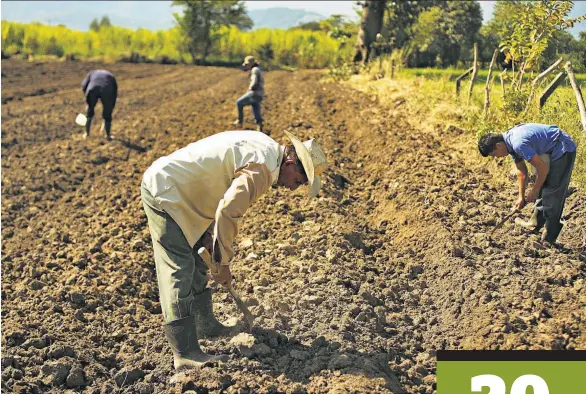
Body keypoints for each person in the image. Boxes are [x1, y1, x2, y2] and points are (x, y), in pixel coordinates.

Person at [141, 130, 327, 369]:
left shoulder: (267, 149)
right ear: (291, 163)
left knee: (199, 257)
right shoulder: (262, 167)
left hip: (188, 193)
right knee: (179, 267)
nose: (293, 188)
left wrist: (209, 235)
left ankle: (205, 324)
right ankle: (185, 353)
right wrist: (223, 263)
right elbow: (228, 211)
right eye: (299, 181)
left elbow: (218, 181)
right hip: (166, 191)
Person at [478, 123, 577, 246]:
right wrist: (521, 196)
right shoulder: (509, 144)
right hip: (549, 149)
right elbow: (521, 172)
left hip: (562, 147)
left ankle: (549, 238)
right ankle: (536, 222)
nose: (496, 158)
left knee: (552, 190)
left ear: (498, 145)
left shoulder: (518, 143)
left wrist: (534, 190)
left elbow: (543, 169)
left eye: (494, 155)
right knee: (542, 182)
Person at [81, 70, 118, 140]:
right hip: (106, 89)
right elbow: (114, 91)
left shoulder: (91, 73)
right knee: (107, 113)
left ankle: (87, 134)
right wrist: (110, 107)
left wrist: (88, 100)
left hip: (92, 89)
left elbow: (84, 85)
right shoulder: (110, 75)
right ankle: (107, 135)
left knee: (89, 112)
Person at [234, 56, 265, 133]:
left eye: (247, 64)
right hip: (260, 94)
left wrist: (251, 86)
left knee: (239, 102)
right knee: (255, 108)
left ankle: (239, 121)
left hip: (254, 92)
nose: (246, 66)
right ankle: (259, 125)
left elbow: (254, 80)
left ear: (250, 64)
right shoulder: (258, 69)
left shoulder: (254, 70)